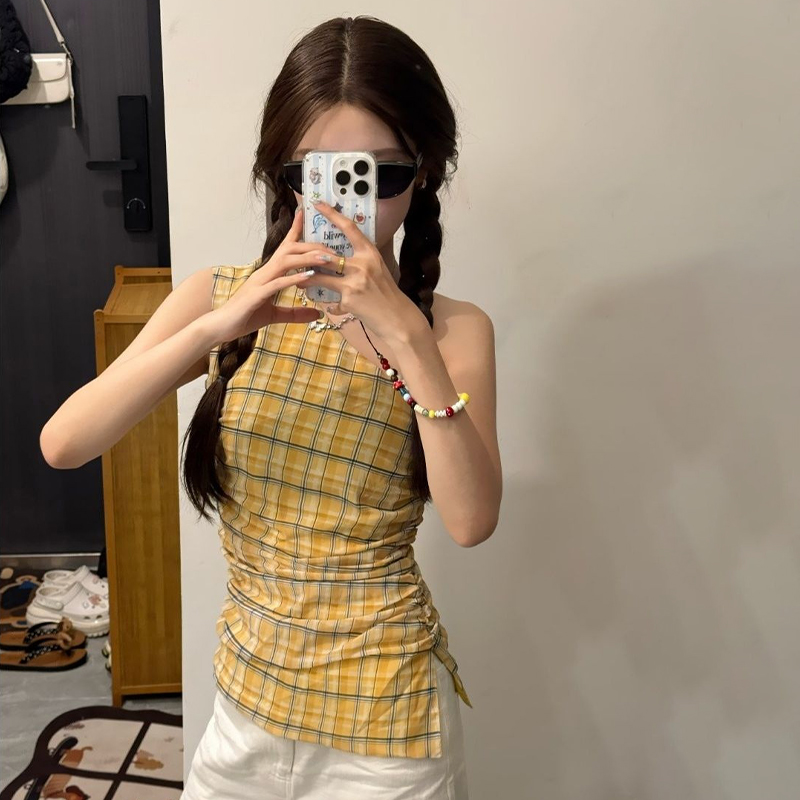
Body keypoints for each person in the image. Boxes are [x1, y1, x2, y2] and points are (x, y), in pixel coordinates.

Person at [40, 13, 501, 800]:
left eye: (383, 176)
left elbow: (470, 520)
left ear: (425, 173)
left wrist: (407, 335)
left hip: (387, 731)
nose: (355, 206)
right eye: (320, 175)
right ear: (285, 178)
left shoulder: (452, 331)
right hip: (244, 715)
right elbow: (65, 443)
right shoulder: (220, 299)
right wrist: (214, 329)